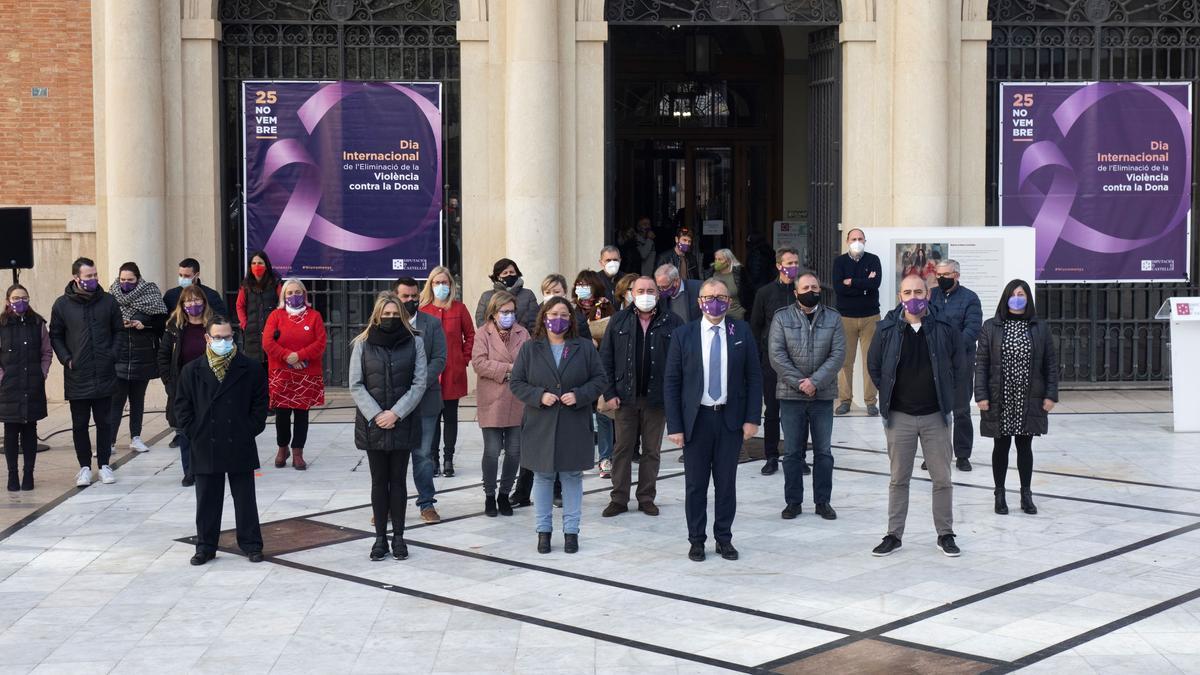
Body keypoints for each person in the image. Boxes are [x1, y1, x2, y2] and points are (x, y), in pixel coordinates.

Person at [867, 274, 966, 558]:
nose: (913, 297)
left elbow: (960, 366)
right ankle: (893, 535)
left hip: (935, 416)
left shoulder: (944, 327)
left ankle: (945, 534)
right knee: (899, 479)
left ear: (928, 294)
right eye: (907, 292)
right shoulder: (887, 328)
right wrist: (889, 393)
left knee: (942, 479)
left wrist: (949, 400)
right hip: (900, 418)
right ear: (900, 296)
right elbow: (874, 366)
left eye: (918, 291)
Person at [664, 278, 762, 562]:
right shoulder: (685, 334)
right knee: (695, 485)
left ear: (728, 301)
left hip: (729, 420)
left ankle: (724, 538)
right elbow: (672, 382)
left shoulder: (740, 330)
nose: (714, 301)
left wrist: (752, 419)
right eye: (709, 297)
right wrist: (676, 425)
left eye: (720, 296)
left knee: (726, 483)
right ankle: (696, 540)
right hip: (696, 421)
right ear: (699, 302)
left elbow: (753, 378)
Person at [508, 297, 608, 554]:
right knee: (543, 476)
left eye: (564, 314)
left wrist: (580, 395)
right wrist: (539, 395)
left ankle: (571, 532)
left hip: (574, 422)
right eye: (553, 313)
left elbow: (599, 380)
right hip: (540, 422)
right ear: (544, 317)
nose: (558, 319)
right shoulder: (530, 348)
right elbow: (517, 383)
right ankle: (543, 532)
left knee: (572, 476)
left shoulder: (584, 347)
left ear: (571, 319)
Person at [175, 316, 269, 566]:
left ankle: (251, 544)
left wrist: (249, 429)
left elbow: (260, 405)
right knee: (207, 499)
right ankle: (205, 546)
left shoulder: (250, 368)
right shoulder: (191, 370)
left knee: (245, 498)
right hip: (205, 443)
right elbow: (182, 408)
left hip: (239, 441)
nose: (223, 341)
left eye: (227, 337)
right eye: (218, 337)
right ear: (207, 338)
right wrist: (194, 432)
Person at [348, 294, 428, 561]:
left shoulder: (415, 342)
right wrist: (377, 414)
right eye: (386, 314)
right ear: (377, 315)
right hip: (373, 424)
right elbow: (356, 384)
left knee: (399, 481)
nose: (391, 319)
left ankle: (399, 537)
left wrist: (396, 413)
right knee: (379, 481)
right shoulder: (362, 343)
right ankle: (380, 538)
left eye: (396, 314)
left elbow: (419, 384)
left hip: (402, 422)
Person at [600, 275, 683, 517]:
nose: (645, 294)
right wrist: (610, 392)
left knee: (651, 451)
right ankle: (619, 498)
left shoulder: (672, 322)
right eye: (640, 290)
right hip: (625, 397)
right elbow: (605, 359)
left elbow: (679, 363)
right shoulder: (618, 320)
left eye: (650, 290)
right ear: (631, 294)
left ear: (658, 294)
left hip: (657, 399)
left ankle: (646, 497)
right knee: (622, 448)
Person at [976, 279, 1058, 516]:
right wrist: (980, 395)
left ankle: (1026, 493)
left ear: (1028, 298)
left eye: (1021, 293)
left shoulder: (1040, 327)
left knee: (1025, 446)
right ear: (1006, 297)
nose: (1017, 297)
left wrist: (1050, 394)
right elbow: (981, 364)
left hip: (1028, 396)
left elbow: (1050, 364)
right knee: (1000, 446)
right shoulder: (991, 326)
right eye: (1013, 293)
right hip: (999, 396)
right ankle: (999, 493)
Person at [768, 271, 845, 520]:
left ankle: (823, 502)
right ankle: (793, 502)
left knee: (823, 452)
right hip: (791, 395)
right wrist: (801, 383)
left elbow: (838, 354)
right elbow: (777, 355)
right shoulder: (782, 317)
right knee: (791, 452)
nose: (810, 291)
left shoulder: (833, 318)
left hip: (822, 396)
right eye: (805, 287)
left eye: (814, 287)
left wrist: (815, 382)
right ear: (796, 292)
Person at [50, 257, 124, 487]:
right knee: (80, 424)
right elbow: (56, 335)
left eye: (95, 275)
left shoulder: (109, 302)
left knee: (104, 422)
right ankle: (84, 467)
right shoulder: (62, 304)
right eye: (88, 276)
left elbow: (118, 331)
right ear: (76, 278)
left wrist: (112, 354)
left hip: (104, 372)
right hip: (78, 374)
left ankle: (104, 465)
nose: (93, 279)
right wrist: (67, 359)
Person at [471, 290, 530, 516]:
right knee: (492, 451)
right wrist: (507, 370)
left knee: (515, 452)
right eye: (504, 312)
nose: (509, 316)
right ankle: (489, 495)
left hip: (517, 399)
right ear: (494, 313)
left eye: (512, 312)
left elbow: (527, 363)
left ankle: (504, 494)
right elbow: (478, 363)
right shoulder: (482, 334)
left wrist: (511, 371)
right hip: (492, 399)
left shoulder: (522, 333)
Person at [392, 278, 447, 521]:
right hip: (394, 403)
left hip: (426, 400)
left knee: (423, 455)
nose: (411, 300)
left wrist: (418, 384)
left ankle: (426, 503)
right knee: (394, 456)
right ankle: (389, 505)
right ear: (395, 297)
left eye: (414, 296)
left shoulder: (432, 324)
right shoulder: (386, 324)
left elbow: (439, 359)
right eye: (405, 296)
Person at [263, 278, 327, 471]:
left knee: (301, 414)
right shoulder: (276, 316)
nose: (294, 296)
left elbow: (320, 342)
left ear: (304, 294)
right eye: (289, 293)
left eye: (297, 292)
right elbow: (267, 342)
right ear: (283, 296)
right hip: (281, 373)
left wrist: (299, 356)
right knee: (282, 414)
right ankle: (282, 448)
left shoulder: (314, 316)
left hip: (306, 374)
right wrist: (287, 357)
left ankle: (298, 451)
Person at [749, 247, 802, 476]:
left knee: (800, 412)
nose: (793, 267)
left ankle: (798, 456)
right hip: (771, 362)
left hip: (800, 361)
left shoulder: (803, 289)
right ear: (779, 265)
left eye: (796, 262)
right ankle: (771, 455)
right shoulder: (765, 292)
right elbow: (756, 325)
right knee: (772, 411)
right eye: (789, 263)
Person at [418, 266, 475, 477]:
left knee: (450, 417)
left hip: (453, 372)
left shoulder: (459, 309)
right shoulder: (423, 311)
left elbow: (470, 335)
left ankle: (448, 458)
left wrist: (464, 358)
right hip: (430, 374)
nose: (441, 286)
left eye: (445, 282)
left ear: (451, 285)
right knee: (432, 417)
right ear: (430, 285)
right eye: (437, 282)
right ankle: (433, 458)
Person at [928, 259, 982, 471]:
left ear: (956, 275)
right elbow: (925, 321)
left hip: (961, 362)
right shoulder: (931, 295)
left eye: (946, 275)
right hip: (934, 362)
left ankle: (962, 455)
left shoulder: (970, 298)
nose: (941, 279)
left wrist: (951, 346)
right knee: (933, 411)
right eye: (938, 275)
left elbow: (973, 329)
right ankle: (933, 455)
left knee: (961, 411)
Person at [108, 262, 167, 455]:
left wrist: (144, 325)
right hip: (120, 357)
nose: (126, 283)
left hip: (143, 356)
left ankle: (136, 437)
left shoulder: (151, 294)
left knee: (137, 400)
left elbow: (161, 323)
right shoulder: (110, 297)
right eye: (123, 279)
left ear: (138, 279)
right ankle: (109, 442)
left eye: (130, 280)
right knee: (116, 401)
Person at [158, 285, 214, 486]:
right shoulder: (174, 327)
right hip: (182, 388)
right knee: (184, 430)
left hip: (209, 387)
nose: (193, 304)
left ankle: (207, 468)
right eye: (188, 301)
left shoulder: (213, 325)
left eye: (197, 300)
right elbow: (163, 356)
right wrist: (168, 381)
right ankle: (189, 471)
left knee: (208, 430)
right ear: (182, 304)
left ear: (204, 302)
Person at [1, 285, 52, 491]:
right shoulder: (2, 325)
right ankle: (12, 475)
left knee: (30, 430)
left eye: (23, 297)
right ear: (7, 301)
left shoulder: (38, 323)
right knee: (11, 432)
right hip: (9, 388)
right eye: (15, 298)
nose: (19, 301)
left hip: (32, 385)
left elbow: (46, 352)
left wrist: (42, 373)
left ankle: (28, 474)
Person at [832, 228, 882, 417]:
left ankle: (871, 402)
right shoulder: (840, 262)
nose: (857, 241)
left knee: (871, 360)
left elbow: (875, 284)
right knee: (846, 362)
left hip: (870, 316)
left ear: (865, 241)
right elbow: (838, 288)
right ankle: (845, 400)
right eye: (853, 238)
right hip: (845, 317)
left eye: (860, 238)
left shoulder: (873, 260)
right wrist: (863, 284)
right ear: (847, 241)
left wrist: (851, 282)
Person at [573, 271, 615, 478]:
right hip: (578, 368)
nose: (583, 289)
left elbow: (615, 334)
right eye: (579, 285)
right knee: (581, 416)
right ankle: (580, 458)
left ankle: (606, 457)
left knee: (603, 414)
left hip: (600, 367)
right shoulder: (570, 310)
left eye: (587, 285)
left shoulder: (605, 306)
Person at [236, 250, 280, 367]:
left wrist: (278, 325)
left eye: (260, 263)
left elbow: (282, 304)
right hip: (252, 334)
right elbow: (239, 306)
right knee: (254, 368)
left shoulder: (275, 283)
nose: (257, 266)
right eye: (253, 263)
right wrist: (245, 323)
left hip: (272, 332)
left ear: (266, 265)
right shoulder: (245, 285)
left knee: (272, 366)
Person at [475, 258, 539, 331]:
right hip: (493, 340)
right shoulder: (486, 296)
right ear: (498, 277)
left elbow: (535, 322)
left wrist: (523, 336)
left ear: (517, 274)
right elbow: (480, 321)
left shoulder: (528, 295)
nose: (509, 275)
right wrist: (495, 335)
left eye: (512, 272)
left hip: (522, 340)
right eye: (505, 273)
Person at [162, 257, 229, 319]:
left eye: (187, 276)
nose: (182, 278)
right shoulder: (170, 295)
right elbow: (164, 319)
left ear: (196, 275)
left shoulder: (211, 295)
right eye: (180, 275)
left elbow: (221, 319)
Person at [705, 248, 753, 321]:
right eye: (716, 259)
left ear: (728, 261)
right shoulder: (712, 274)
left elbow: (749, 295)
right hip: (716, 316)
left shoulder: (739, 274)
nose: (717, 262)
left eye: (720, 259)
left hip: (736, 315)